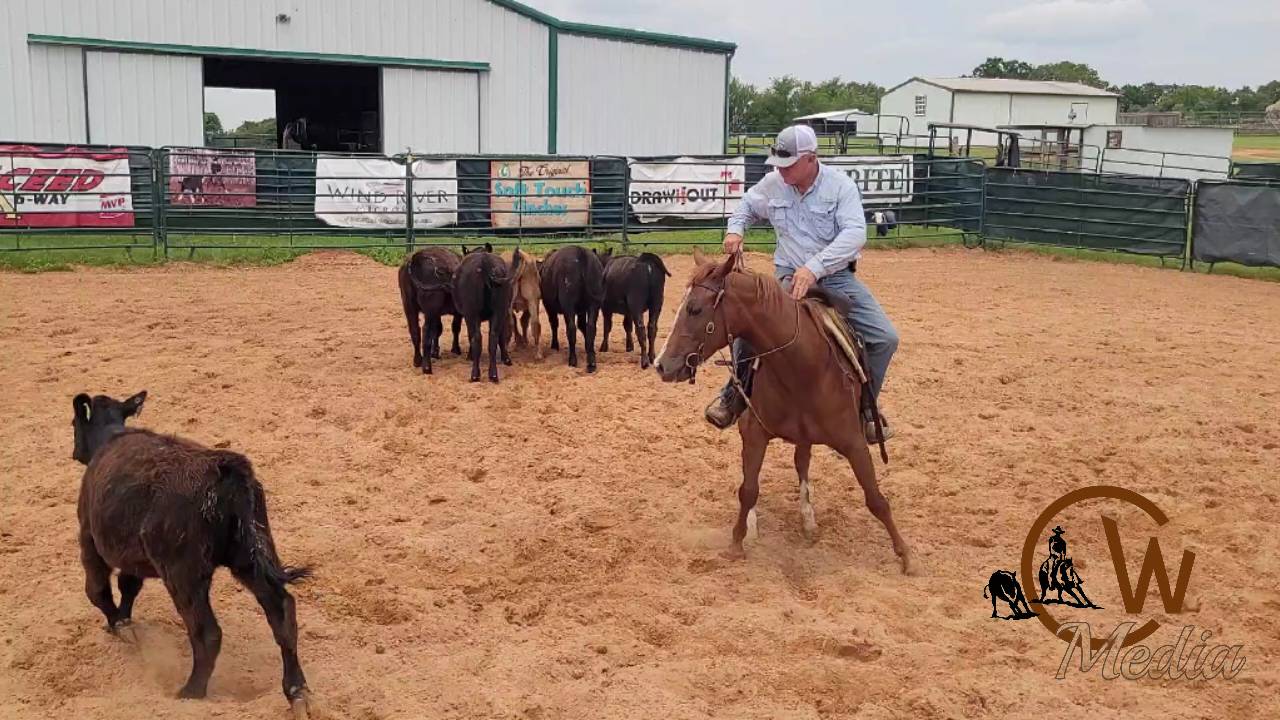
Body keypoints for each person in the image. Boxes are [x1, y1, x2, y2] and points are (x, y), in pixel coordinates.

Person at [704, 124, 899, 442]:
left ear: (810, 159)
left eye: (788, 164)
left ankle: (864, 408)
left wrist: (814, 267)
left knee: (885, 338)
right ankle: (733, 396)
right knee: (750, 325)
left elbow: (855, 233)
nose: (781, 172)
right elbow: (746, 206)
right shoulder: (773, 184)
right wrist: (735, 230)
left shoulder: (840, 188)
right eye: (778, 165)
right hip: (787, 275)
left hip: (836, 277)